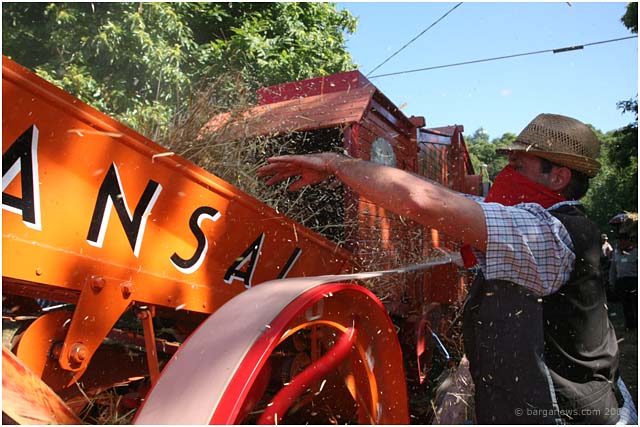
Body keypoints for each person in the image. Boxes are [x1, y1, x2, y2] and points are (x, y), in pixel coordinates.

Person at [258, 113, 636, 424]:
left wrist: (335, 164)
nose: (507, 174)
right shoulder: (549, 224)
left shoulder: (549, 232)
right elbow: (437, 195)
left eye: (519, 165)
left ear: (558, 177)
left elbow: (423, 201)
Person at [610, 231, 638, 330]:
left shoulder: (636, 252)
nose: (620, 243)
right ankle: (630, 325)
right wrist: (612, 282)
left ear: (628, 241)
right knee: (626, 304)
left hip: (634, 280)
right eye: (619, 240)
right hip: (621, 281)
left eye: (623, 240)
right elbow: (613, 269)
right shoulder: (616, 253)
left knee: (636, 303)